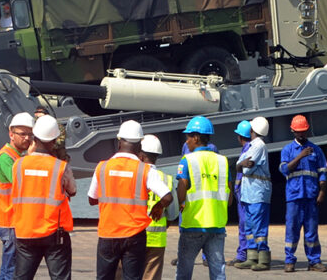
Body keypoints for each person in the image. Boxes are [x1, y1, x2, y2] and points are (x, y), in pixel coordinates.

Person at [89, 120, 173, 280]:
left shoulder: (102, 167)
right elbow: (167, 197)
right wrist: (157, 207)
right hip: (135, 235)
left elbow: (92, 199)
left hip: (108, 233)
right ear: (140, 143)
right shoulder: (145, 170)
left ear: (119, 140)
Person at [12, 114, 77, 280]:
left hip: (25, 231)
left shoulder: (18, 164)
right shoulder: (61, 167)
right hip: (54, 233)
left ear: (34, 138)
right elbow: (73, 190)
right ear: (54, 141)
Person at [174, 115, 229, 280]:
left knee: (184, 270)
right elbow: (230, 197)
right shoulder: (223, 161)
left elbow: (182, 187)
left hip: (193, 224)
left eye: (188, 136)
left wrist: (179, 204)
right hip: (217, 225)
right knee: (218, 272)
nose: (186, 141)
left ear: (196, 138)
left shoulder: (187, 160)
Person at [0, 113, 35, 280]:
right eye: (22, 134)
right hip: (7, 219)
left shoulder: (18, 156)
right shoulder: (5, 157)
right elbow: (18, 181)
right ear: (11, 134)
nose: (27, 138)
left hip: (14, 219)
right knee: (11, 267)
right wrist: (31, 158)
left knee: (12, 266)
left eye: (30, 135)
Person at [281, 114, 327, 273]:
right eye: (298, 132)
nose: (301, 134)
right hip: (294, 197)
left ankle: (314, 261)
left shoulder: (316, 150)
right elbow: (284, 169)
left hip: (310, 197)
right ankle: (289, 261)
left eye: (304, 131)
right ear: (293, 131)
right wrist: (300, 156)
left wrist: (322, 192)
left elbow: (322, 173)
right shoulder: (287, 150)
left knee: (311, 231)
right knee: (292, 230)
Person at [138, 134, 179, 280]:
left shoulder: (135, 176)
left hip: (134, 235)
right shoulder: (166, 179)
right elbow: (173, 214)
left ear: (141, 155)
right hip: (157, 239)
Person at [234, 117, 272, 271]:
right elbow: (239, 166)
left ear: (253, 130)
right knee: (249, 225)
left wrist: (241, 164)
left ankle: (263, 259)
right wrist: (241, 164)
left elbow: (246, 167)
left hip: (257, 192)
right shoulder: (251, 146)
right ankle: (252, 257)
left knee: (258, 226)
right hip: (249, 193)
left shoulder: (258, 146)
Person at [229, 120, 253, 268]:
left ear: (240, 136)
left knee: (244, 225)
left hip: (244, 194)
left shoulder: (246, 151)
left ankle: (243, 254)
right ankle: (249, 253)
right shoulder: (250, 149)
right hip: (246, 193)